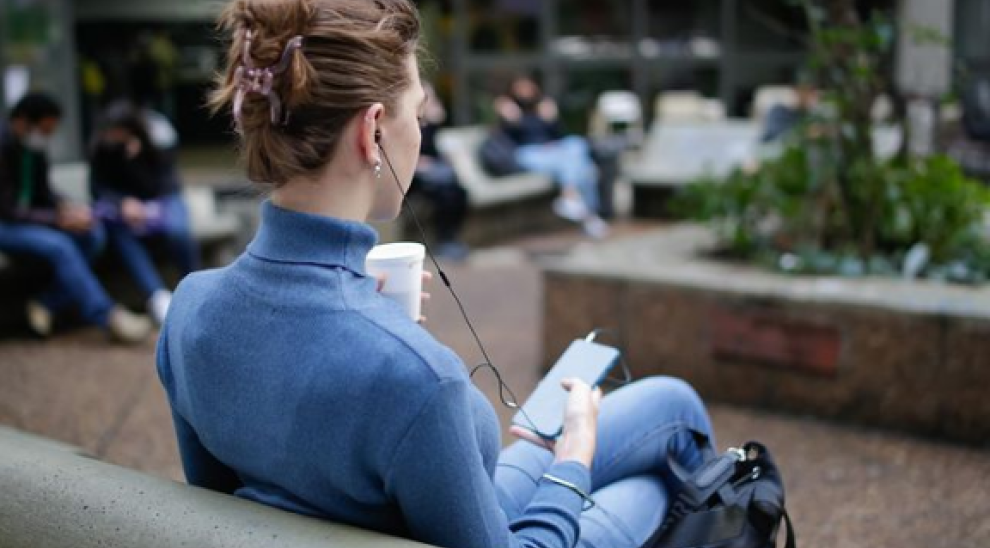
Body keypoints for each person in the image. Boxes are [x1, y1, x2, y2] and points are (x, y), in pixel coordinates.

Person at [157, 2, 714, 548]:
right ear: (372, 130)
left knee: (671, 401)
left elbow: (224, 509)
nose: (418, 134)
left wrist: (375, 324)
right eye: (417, 115)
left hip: (437, 507)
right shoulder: (419, 377)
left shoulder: (190, 308)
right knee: (662, 486)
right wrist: (574, 458)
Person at [0, 93, 151, 343]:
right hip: (6, 224)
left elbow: (43, 192)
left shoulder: (32, 147)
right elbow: (8, 209)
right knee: (60, 246)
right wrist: (57, 219)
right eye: (44, 130)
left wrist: (67, 207)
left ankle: (46, 302)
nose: (46, 137)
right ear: (23, 122)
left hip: (31, 220)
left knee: (93, 234)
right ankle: (107, 316)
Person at [89, 102, 199, 325]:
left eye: (117, 131)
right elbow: (98, 189)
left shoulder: (154, 140)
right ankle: (158, 297)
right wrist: (123, 203)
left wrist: (136, 161)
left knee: (178, 230)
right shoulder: (103, 148)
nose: (112, 136)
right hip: (126, 213)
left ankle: (195, 288)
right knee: (121, 234)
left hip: (163, 201)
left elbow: (163, 184)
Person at [494, 75, 609, 239]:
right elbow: (507, 140)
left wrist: (552, 119)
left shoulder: (543, 106)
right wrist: (511, 119)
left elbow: (558, 134)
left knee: (577, 145)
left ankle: (570, 198)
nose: (524, 91)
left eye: (527, 87)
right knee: (586, 169)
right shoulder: (508, 108)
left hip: (552, 151)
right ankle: (589, 217)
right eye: (520, 88)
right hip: (526, 153)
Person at [412, 82, 469, 261]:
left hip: (432, 170)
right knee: (443, 191)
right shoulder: (410, 121)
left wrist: (435, 121)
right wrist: (419, 163)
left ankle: (451, 238)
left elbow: (432, 147)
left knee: (459, 191)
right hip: (415, 175)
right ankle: (444, 240)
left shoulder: (431, 121)